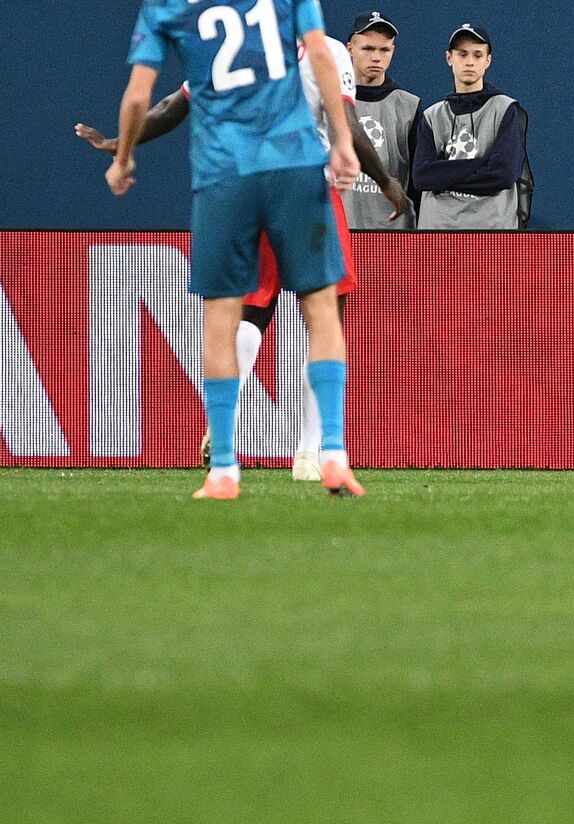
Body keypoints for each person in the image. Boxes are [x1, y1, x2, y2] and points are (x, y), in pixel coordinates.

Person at [81, 30, 406, 482]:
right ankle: (311, 453)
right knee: (327, 315)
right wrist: (388, 182)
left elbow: (175, 106)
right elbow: (343, 126)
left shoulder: (226, 45)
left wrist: (125, 142)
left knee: (253, 310)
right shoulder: (326, 50)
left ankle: (225, 421)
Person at [413, 23, 532, 230]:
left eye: (477, 55)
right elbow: (422, 177)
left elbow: (503, 173)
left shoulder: (505, 109)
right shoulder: (432, 116)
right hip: (438, 231)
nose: (469, 62)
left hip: (491, 230)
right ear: (449, 58)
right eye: (462, 54)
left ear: (488, 61)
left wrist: (443, 174)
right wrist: (483, 163)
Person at [344, 10, 421, 230]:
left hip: (395, 236)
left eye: (384, 50)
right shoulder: (329, 102)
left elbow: (418, 185)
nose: (376, 57)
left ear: (393, 51)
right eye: (368, 48)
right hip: (340, 232)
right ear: (350, 49)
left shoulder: (409, 106)